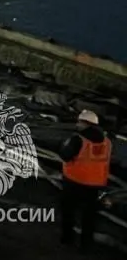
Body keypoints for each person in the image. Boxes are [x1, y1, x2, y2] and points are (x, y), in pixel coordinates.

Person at [59, 108, 112, 251]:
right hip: (95, 185)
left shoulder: (78, 139)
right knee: (89, 218)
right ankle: (86, 245)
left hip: (74, 182)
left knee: (68, 211)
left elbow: (65, 155)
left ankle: (67, 238)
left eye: (79, 122)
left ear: (85, 123)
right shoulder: (107, 142)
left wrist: (64, 145)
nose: (77, 124)